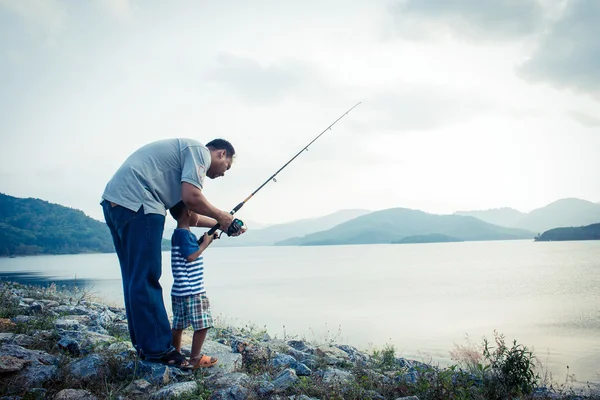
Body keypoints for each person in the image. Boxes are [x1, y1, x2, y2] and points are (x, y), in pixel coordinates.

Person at [100, 138, 245, 367]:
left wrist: (224, 225)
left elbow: (189, 214)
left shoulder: (180, 164)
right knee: (146, 275)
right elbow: (192, 198)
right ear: (221, 153)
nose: (224, 174)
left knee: (134, 278)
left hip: (117, 201)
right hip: (141, 202)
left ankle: (145, 345)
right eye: (227, 167)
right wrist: (221, 216)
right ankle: (159, 350)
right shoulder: (199, 152)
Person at [168, 201, 219, 368]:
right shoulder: (185, 234)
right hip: (193, 290)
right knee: (203, 324)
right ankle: (195, 357)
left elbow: (188, 252)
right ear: (189, 212)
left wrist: (204, 241)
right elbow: (191, 256)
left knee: (178, 325)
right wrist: (205, 244)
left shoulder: (178, 234)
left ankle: (175, 353)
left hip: (179, 290)